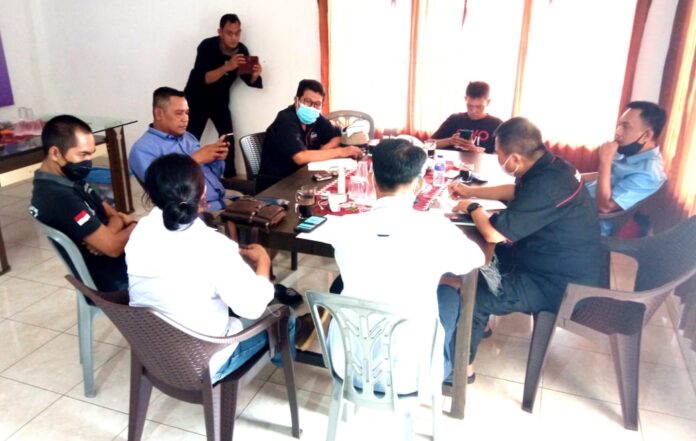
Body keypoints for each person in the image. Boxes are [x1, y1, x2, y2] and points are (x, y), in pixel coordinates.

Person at [308, 139, 484, 392]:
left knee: (343, 284)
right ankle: (450, 365)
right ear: (419, 184)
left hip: (345, 365)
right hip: (414, 376)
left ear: (371, 179)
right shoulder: (436, 228)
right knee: (449, 295)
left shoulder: (343, 225)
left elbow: (310, 229)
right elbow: (476, 259)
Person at [444, 117, 601, 381]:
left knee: (476, 293)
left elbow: (493, 233)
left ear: (514, 159)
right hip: (554, 260)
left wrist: (472, 207)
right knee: (481, 263)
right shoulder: (551, 167)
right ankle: (478, 325)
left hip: (559, 284)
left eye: (498, 153)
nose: (497, 157)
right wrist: (470, 191)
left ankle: (461, 370)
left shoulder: (546, 186)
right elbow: (515, 192)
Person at [126, 153, 293, 381]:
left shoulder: (141, 232)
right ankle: (283, 375)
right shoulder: (213, 245)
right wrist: (264, 261)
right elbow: (253, 307)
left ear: (150, 194)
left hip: (152, 354)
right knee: (284, 315)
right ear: (203, 191)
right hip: (203, 362)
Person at [28, 115, 135, 291]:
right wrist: (134, 226)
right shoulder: (58, 197)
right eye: (83, 154)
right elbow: (113, 247)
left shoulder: (69, 177)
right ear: (55, 153)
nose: (88, 162)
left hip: (121, 263)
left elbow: (112, 214)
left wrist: (111, 230)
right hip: (114, 281)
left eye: (90, 154)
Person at [184, 13, 263, 178]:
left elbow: (248, 79)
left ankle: (230, 178)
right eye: (229, 33)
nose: (234, 38)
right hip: (196, 98)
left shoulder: (241, 50)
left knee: (228, 138)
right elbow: (204, 78)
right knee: (189, 139)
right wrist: (227, 67)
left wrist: (255, 74)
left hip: (219, 100)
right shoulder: (207, 46)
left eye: (237, 33)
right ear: (220, 32)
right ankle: (183, 175)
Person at [129, 87, 230, 211]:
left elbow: (213, 176)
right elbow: (161, 189)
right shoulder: (142, 149)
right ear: (159, 114)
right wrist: (194, 160)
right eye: (179, 113)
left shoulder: (188, 138)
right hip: (195, 213)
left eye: (187, 112)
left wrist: (217, 159)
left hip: (223, 199)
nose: (185, 118)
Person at [256, 79, 363, 193]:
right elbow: (300, 157)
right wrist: (341, 151)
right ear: (296, 100)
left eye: (317, 104)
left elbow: (337, 137)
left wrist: (324, 150)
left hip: (303, 178)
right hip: (276, 185)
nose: (312, 107)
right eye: (307, 101)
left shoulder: (314, 117)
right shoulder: (286, 119)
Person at [584, 101, 667, 236]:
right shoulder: (630, 151)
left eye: (625, 127)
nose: (618, 132)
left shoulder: (648, 173)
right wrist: (571, 177)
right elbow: (604, 176)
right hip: (578, 200)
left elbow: (605, 207)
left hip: (588, 219)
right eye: (619, 125)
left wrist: (605, 161)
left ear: (646, 135)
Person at [429, 81, 503, 154]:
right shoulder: (454, 119)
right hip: (452, 161)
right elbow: (428, 144)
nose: (473, 111)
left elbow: (501, 157)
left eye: (479, 107)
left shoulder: (496, 124)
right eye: (469, 106)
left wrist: (474, 150)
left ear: (488, 102)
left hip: (481, 162)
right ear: (465, 99)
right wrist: (450, 141)